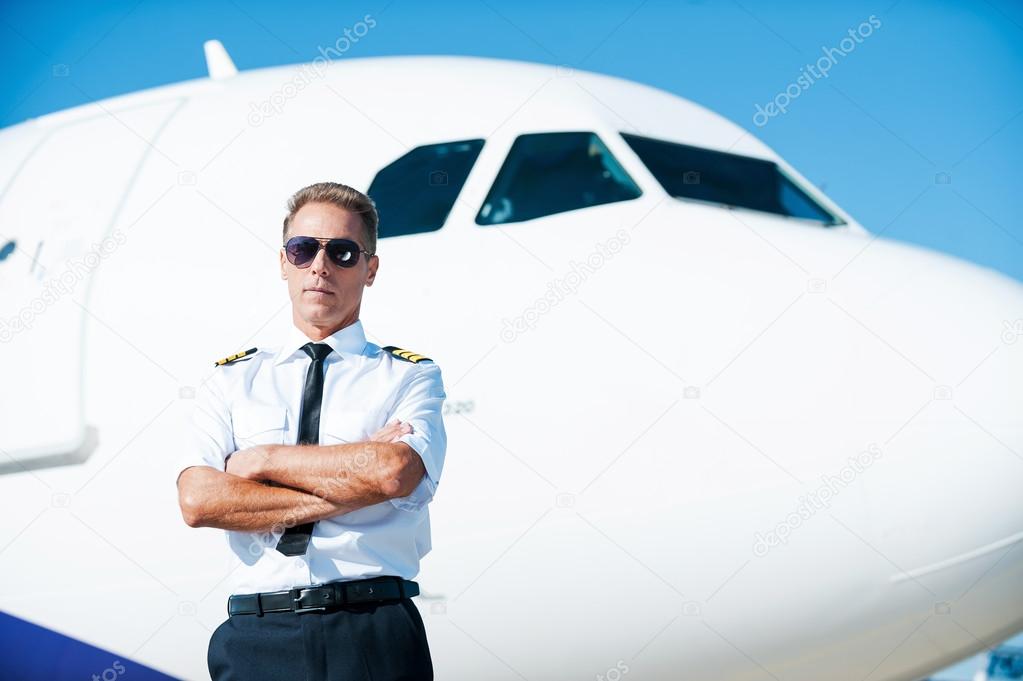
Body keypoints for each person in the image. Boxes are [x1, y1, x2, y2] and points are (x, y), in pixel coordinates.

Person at [175, 181, 446, 681]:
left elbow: (393, 473)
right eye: (303, 250)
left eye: (342, 252)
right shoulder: (231, 379)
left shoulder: (409, 374)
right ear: (284, 262)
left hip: (372, 631)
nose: (320, 266)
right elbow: (199, 501)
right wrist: (350, 487)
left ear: (370, 269)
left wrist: (260, 462)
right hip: (258, 637)